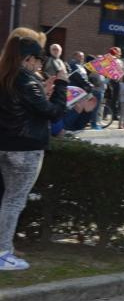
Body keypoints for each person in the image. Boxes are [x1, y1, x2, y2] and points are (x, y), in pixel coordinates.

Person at [0, 30, 68, 270]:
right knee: (14, 202)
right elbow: (52, 112)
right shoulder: (26, 80)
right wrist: (61, 85)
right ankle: (3, 252)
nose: (39, 64)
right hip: (26, 149)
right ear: (28, 59)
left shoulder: (6, 75)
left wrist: (42, 90)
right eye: (38, 60)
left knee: (7, 199)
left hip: (5, 146)